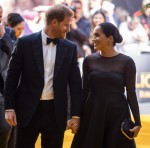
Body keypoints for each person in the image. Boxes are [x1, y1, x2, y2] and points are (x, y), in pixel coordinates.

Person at [4, 4, 82, 148]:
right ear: (54, 22)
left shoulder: (70, 48)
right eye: (66, 25)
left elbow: (76, 84)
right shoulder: (24, 43)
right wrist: (9, 107)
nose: (68, 29)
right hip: (27, 111)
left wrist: (76, 115)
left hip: (56, 113)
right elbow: (12, 76)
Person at [71, 22, 141, 148]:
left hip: (117, 115)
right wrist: (77, 117)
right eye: (93, 35)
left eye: (97, 35)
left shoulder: (127, 62)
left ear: (110, 38)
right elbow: (84, 92)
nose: (93, 39)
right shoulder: (89, 61)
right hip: (93, 113)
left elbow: (131, 93)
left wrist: (138, 122)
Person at [0, 5, 16, 148]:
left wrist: (2, 35)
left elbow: (13, 53)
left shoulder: (9, 33)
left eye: (0, 16)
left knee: (5, 128)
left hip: (2, 89)